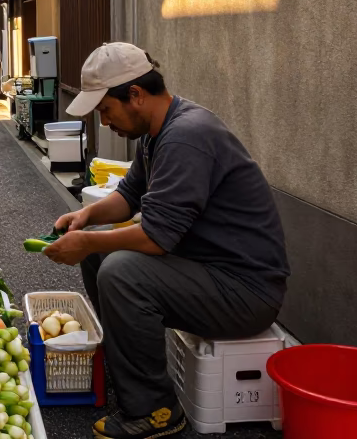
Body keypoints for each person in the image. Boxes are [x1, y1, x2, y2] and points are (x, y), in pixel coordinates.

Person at [43, 42, 289, 439]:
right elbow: (127, 198)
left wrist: (88, 243)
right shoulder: (157, 134)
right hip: (208, 271)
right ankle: (131, 370)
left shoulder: (185, 138)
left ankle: (154, 409)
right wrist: (86, 217)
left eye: (106, 110)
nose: (105, 123)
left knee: (121, 270)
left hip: (246, 292)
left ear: (135, 95)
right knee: (100, 253)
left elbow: (156, 238)